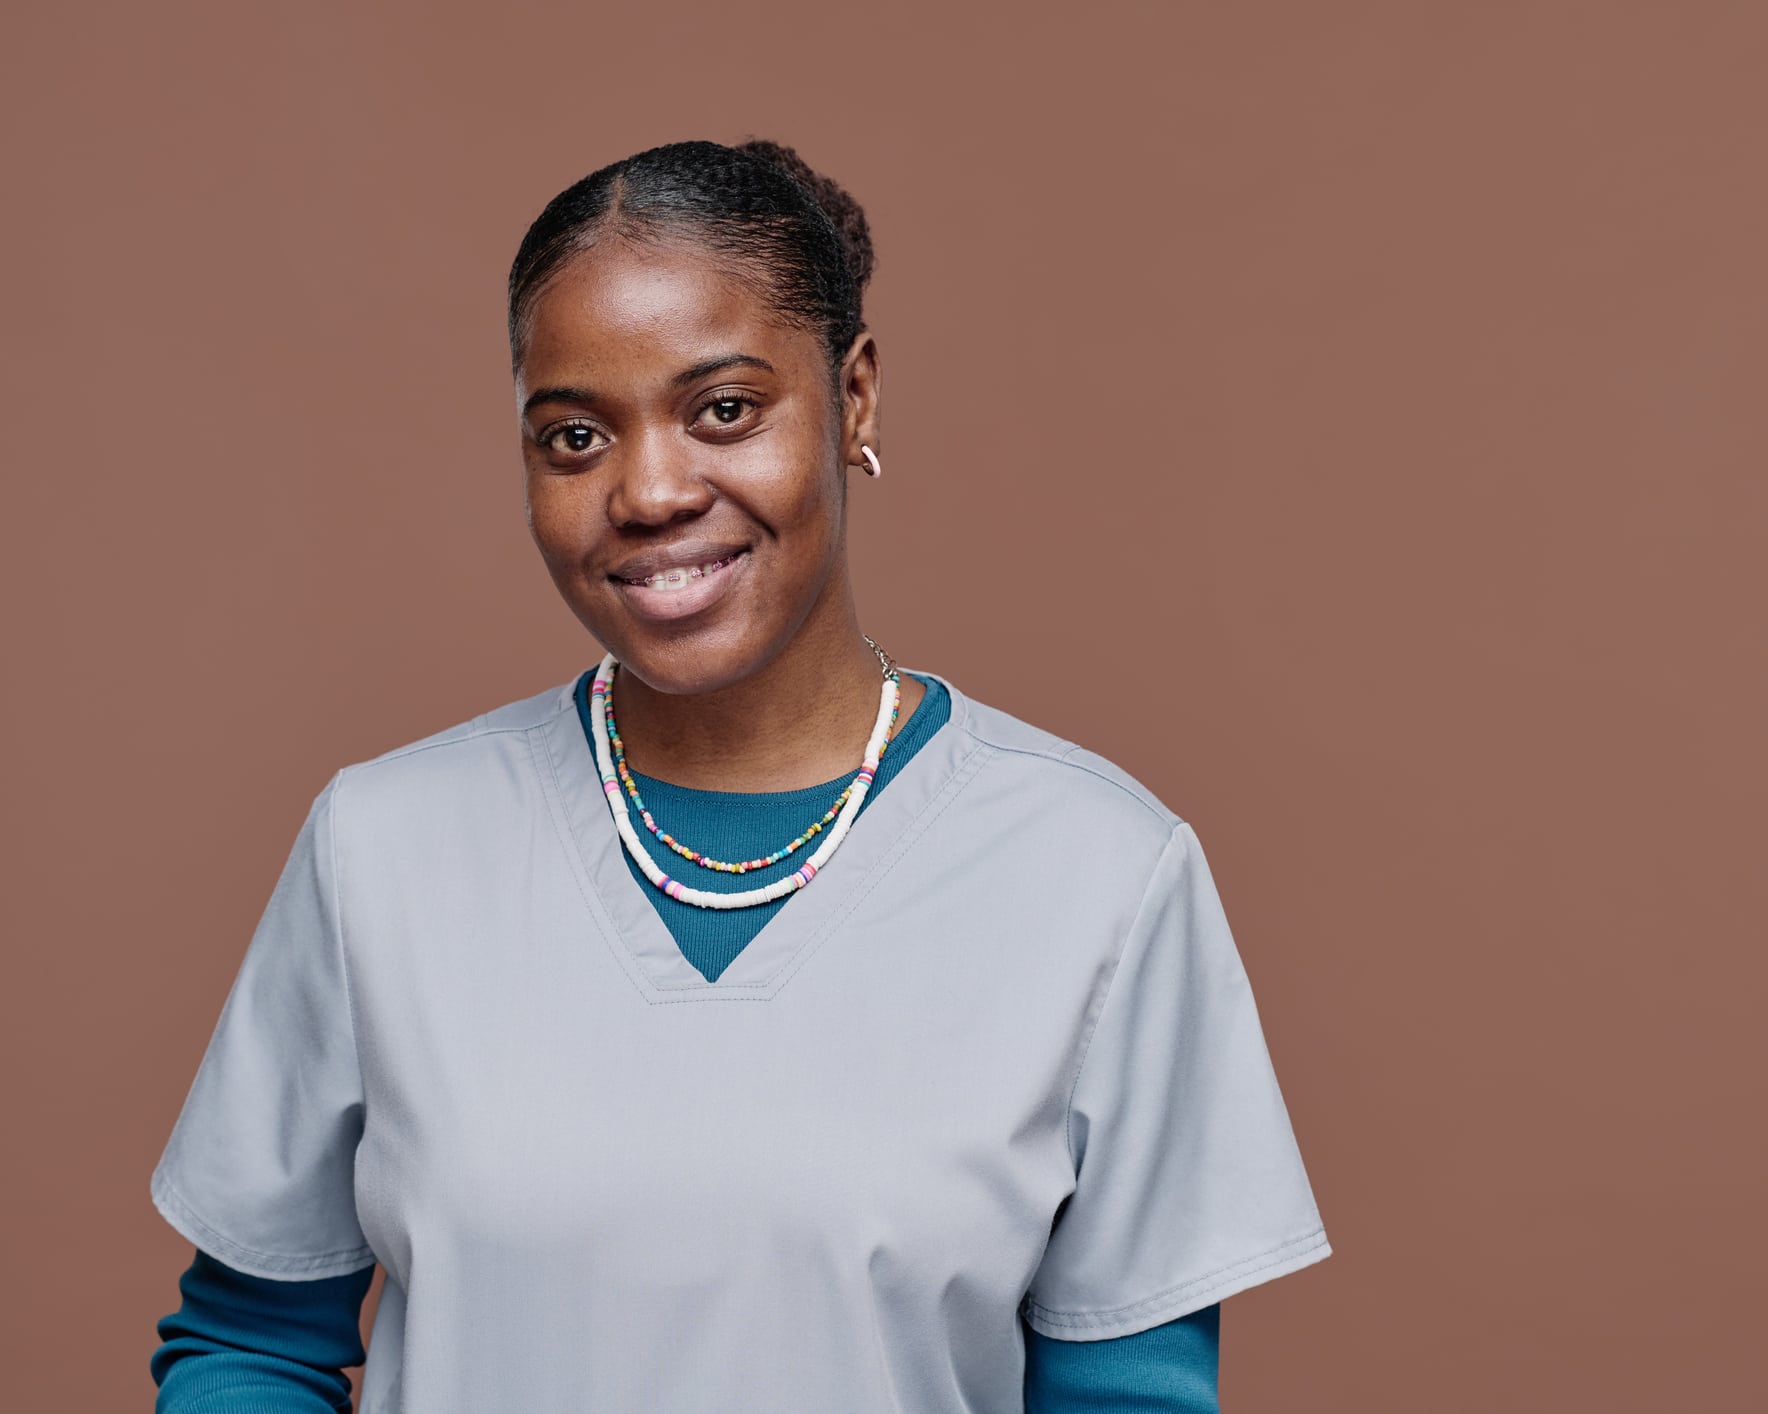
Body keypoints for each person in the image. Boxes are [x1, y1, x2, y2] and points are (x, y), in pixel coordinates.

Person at [147, 137, 1330, 1413]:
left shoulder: (1097, 876)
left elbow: (1130, 1394)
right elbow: (251, 1345)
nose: (648, 491)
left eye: (724, 409)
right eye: (575, 436)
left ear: (855, 397)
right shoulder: (379, 850)